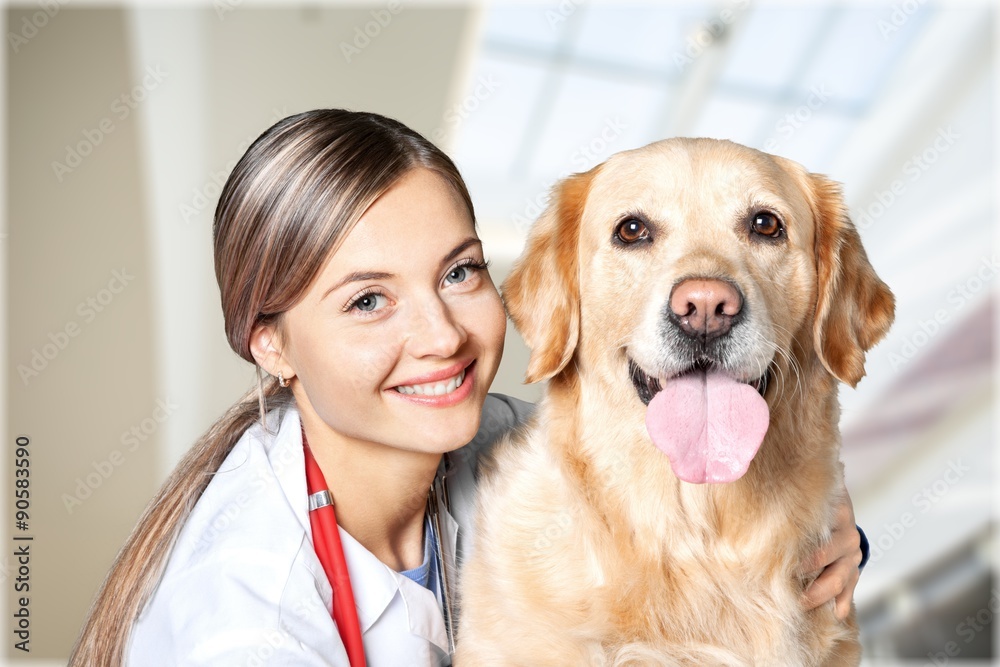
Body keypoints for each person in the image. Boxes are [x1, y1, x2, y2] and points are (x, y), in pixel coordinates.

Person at [70, 109, 867, 666]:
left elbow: (660, 454)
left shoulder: (502, 445)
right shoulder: (245, 619)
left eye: (459, 272)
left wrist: (831, 528)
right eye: (368, 300)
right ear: (271, 342)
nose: (443, 337)